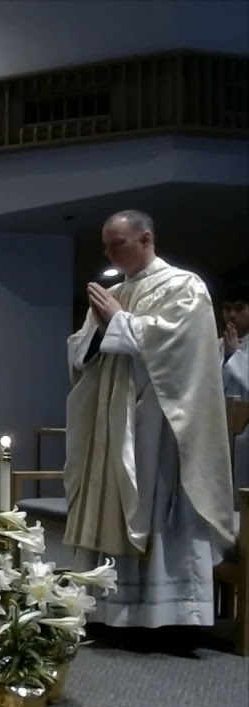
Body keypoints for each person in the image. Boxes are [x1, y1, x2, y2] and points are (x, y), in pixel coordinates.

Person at [63, 210, 234, 630]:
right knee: (113, 503)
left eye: (117, 244)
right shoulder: (113, 292)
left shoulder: (184, 286)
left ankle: (169, 616)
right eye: (105, 246)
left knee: (155, 506)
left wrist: (119, 321)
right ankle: (110, 613)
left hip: (160, 425)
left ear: (145, 239)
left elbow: (182, 346)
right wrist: (100, 330)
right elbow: (81, 352)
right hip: (112, 421)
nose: (109, 253)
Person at [220, 277, 249, 488]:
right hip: (220, 427)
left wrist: (234, 356)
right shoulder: (216, 345)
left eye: (239, 308)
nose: (232, 315)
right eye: (227, 308)